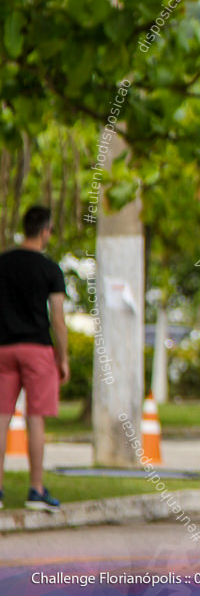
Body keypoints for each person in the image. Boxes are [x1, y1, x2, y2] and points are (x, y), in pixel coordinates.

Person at [0, 206, 68, 512]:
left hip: (3, 349)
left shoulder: (3, 263)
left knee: (1, 419)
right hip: (38, 349)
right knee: (35, 419)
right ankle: (36, 489)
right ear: (45, 231)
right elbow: (58, 318)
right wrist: (62, 358)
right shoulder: (50, 269)